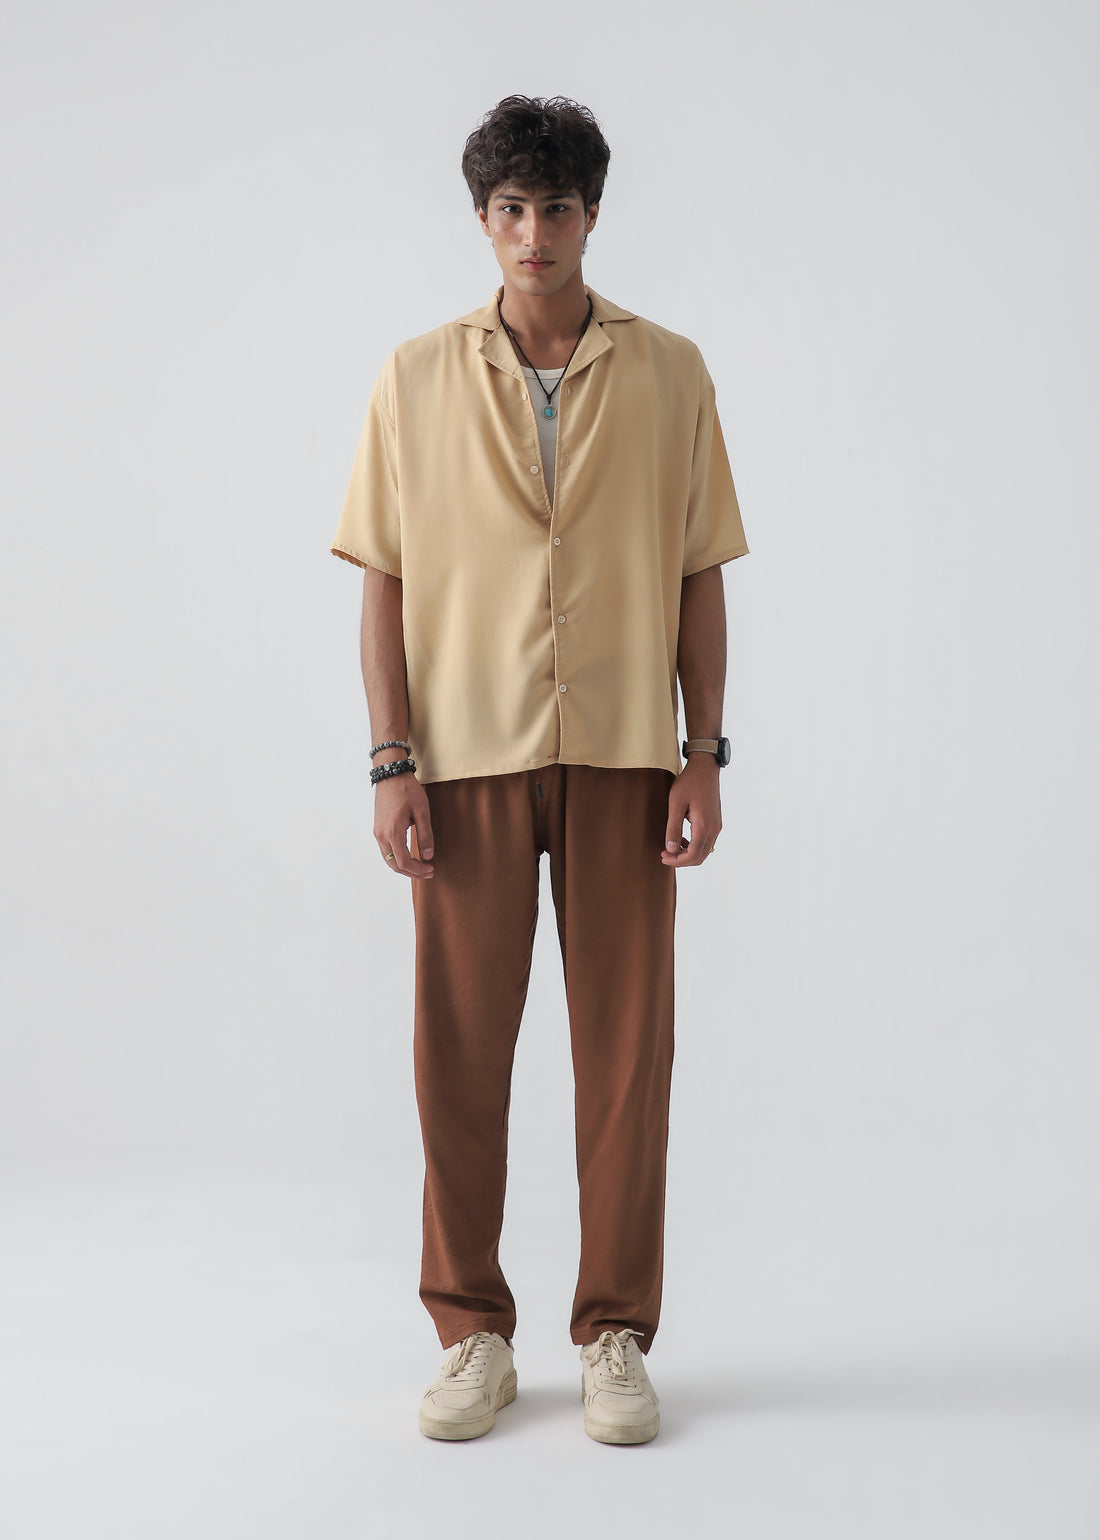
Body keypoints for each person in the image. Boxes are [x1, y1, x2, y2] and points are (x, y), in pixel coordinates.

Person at [329, 94, 749, 1445]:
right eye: (509, 209)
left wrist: (704, 752)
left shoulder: (672, 372)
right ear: (482, 219)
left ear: (591, 215)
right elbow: (384, 580)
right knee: (458, 1052)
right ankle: (471, 1331)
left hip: (626, 749)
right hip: (464, 752)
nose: (533, 235)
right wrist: (391, 760)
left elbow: (699, 571)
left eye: (555, 208)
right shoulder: (412, 378)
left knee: (628, 1052)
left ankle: (615, 1331)